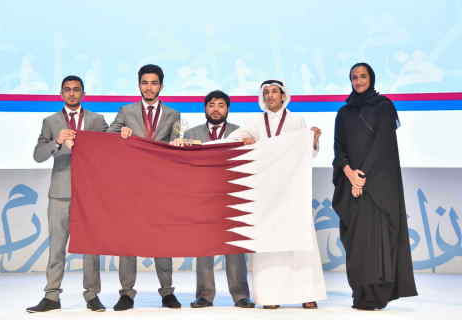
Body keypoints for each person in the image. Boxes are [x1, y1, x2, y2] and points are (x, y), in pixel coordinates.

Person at [228, 80, 326, 309]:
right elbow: (233, 141)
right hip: (265, 194)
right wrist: (247, 142)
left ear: (284, 96)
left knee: (299, 241)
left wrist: (313, 140)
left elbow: (306, 154)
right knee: (268, 243)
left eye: (275, 91)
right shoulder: (254, 123)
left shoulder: (297, 121)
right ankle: (270, 297)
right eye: (266, 92)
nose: (270, 95)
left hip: (292, 191)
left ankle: (306, 294)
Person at [332, 62, 418, 310]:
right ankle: (360, 293)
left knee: (378, 240)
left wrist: (362, 177)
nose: (358, 81)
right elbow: (339, 149)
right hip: (351, 187)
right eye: (354, 77)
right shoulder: (344, 112)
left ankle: (378, 295)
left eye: (362, 76)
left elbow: (383, 146)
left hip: (378, 187)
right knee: (356, 242)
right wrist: (349, 173)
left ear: (371, 78)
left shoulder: (383, 107)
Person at [27, 75, 108, 313]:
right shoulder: (50, 121)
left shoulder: (96, 119)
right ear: (61, 94)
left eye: (76, 90)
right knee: (57, 246)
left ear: (83, 93)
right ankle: (52, 296)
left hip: (89, 193)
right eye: (67, 90)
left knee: (90, 248)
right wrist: (56, 142)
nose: (72, 93)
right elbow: (38, 155)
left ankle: (92, 295)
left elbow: (107, 151)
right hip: (61, 194)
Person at [107, 64, 181, 310]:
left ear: (161, 85)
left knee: (163, 239)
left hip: (160, 186)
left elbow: (176, 145)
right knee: (127, 240)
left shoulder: (173, 114)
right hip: (132, 186)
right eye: (145, 83)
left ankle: (167, 292)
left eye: (154, 83)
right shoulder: (126, 111)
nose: (149, 87)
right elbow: (107, 137)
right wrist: (121, 135)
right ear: (138, 85)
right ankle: (126, 293)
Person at [182, 90, 254, 308]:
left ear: (227, 109)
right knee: (203, 248)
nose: (215, 109)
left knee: (235, 248)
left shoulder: (241, 133)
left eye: (220, 105)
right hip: (202, 198)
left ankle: (240, 295)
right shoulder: (190, 133)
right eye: (211, 104)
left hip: (233, 196)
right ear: (205, 108)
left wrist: (252, 144)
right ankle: (204, 295)